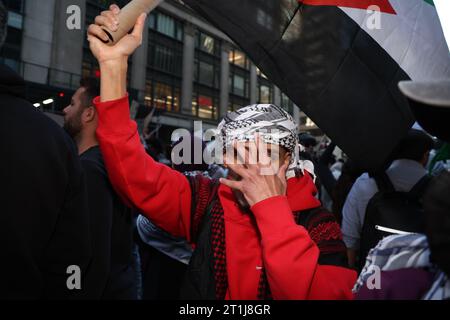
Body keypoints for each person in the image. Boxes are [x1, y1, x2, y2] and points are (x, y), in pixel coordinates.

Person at [86, 5, 356, 300]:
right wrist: (113, 67)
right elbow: (134, 175)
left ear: (288, 160)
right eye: (239, 154)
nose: (248, 169)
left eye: (263, 154)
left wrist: (272, 212)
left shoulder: (321, 227)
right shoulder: (207, 201)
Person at [0, 1, 91, 299]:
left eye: (73, 104)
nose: (65, 109)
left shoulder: (86, 164)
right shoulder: (56, 144)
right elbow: (69, 262)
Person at [62, 78, 137, 299]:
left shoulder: (89, 169)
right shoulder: (107, 162)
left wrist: (72, 290)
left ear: (88, 114)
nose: (65, 109)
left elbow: (91, 252)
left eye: (73, 103)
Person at [342, 129, 435, 268]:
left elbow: (349, 241)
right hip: (423, 279)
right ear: (425, 156)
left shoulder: (366, 182)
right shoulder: (438, 187)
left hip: (375, 277)